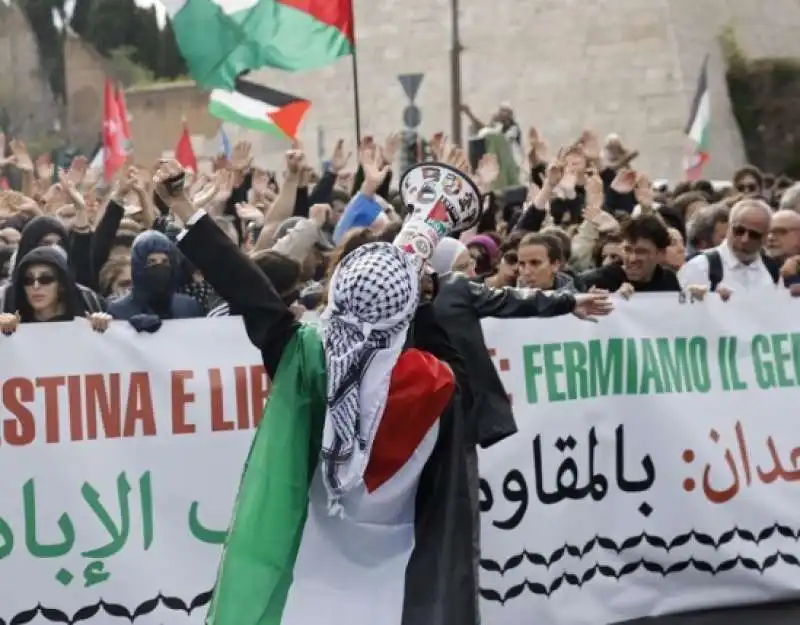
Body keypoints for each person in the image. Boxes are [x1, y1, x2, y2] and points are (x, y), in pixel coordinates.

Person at [156, 157, 481, 625]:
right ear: (406, 308)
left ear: (339, 290)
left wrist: (183, 206)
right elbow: (454, 374)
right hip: (398, 574)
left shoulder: (305, 357)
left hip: (306, 562)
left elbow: (249, 290)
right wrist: (422, 302)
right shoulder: (437, 384)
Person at [0, 246, 111, 333]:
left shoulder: (85, 316)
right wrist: (4, 332)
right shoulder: (13, 324)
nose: (36, 286)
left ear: (61, 285)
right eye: (28, 280)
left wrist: (104, 326)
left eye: (46, 279)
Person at [107, 230, 202, 325]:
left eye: (165, 262)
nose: (159, 268)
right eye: (151, 262)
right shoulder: (118, 310)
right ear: (138, 267)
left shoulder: (188, 307)